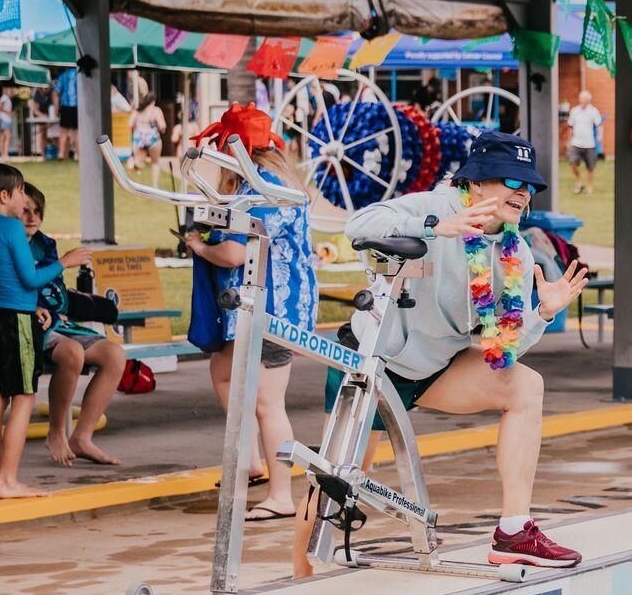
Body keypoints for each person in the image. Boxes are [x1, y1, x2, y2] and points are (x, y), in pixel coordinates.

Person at [329, 129, 590, 570]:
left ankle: (513, 531)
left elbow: (499, 351)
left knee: (525, 386)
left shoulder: (515, 253)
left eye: (529, 185)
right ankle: (301, 575)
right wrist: (433, 227)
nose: (523, 192)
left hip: (435, 370)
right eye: (512, 181)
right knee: (336, 490)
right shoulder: (434, 207)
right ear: (476, 183)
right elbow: (356, 225)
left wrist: (542, 313)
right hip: (373, 363)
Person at [184, 105, 312, 522]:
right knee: (222, 372)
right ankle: (253, 462)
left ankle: (281, 495)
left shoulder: (258, 192)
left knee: (267, 405)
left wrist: (200, 246)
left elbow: (234, 253)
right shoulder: (275, 184)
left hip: (269, 312)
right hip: (267, 310)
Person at [0, 162, 91, 500]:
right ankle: (8, 480)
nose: (24, 199)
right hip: (15, 322)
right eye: (21, 191)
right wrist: (65, 261)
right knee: (23, 398)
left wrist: (29, 302)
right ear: (4, 195)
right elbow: (30, 279)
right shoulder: (11, 228)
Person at [22, 184, 125, 468]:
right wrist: (64, 263)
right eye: (25, 211)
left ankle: (82, 437)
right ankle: (57, 432)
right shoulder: (9, 244)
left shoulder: (44, 243)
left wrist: (60, 309)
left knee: (114, 355)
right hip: (24, 325)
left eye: (37, 211)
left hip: (57, 324)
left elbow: (55, 290)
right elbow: (15, 285)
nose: (32, 217)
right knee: (72, 353)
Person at [564, 90, 603, 195]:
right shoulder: (574, 111)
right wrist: (569, 141)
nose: (581, 101)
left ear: (588, 100)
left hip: (589, 144)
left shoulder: (594, 111)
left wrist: (600, 135)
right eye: (580, 99)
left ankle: (590, 186)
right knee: (573, 163)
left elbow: (599, 124)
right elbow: (570, 127)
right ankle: (579, 182)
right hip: (576, 143)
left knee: (590, 167)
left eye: (583, 99)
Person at [129, 89, 167, 188]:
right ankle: (155, 186)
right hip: (152, 137)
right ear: (153, 101)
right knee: (155, 162)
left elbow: (130, 124)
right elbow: (162, 126)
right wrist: (161, 130)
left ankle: (136, 184)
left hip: (139, 136)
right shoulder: (156, 110)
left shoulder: (138, 110)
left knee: (139, 162)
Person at [53, 64, 79, 160]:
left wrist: (56, 109)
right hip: (77, 106)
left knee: (63, 132)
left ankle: (61, 154)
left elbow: (56, 92)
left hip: (65, 105)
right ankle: (77, 155)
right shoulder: (79, 75)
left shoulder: (63, 76)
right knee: (76, 132)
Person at [0, 86, 15, 159]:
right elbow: (0, 108)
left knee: (3, 137)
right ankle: (5, 154)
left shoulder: (6, 98)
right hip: (4, 119)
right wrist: (9, 113)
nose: (12, 92)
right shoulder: (4, 97)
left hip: (6, 119)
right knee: (7, 137)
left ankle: (3, 154)